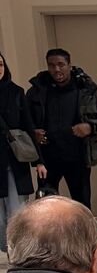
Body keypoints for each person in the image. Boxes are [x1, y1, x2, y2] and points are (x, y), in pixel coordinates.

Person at [27, 47, 97, 206]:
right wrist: (33, 133)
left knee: (81, 203)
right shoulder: (37, 91)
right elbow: (26, 121)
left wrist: (90, 127)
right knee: (44, 203)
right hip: (47, 157)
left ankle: (84, 231)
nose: (56, 69)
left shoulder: (86, 89)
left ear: (69, 65)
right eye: (51, 65)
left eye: (61, 64)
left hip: (77, 156)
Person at [0, 51, 43, 250]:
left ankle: (18, 252)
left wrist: (39, 161)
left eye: (1, 64)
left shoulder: (15, 91)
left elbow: (27, 125)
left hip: (13, 159)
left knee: (17, 210)